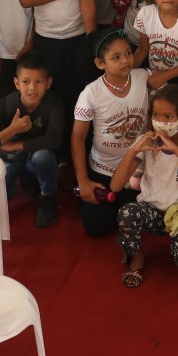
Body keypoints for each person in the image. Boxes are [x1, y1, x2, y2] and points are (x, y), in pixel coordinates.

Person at [112, 84, 178, 286]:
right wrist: (132, 151)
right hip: (153, 212)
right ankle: (138, 255)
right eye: (155, 115)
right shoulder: (146, 141)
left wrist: (176, 149)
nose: (160, 122)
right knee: (127, 213)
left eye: (168, 117)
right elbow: (115, 186)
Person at [73, 30, 150, 237]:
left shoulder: (143, 77)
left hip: (137, 170)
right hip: (103, 171)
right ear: (100, 64)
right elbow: (78, 138)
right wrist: (83, 181)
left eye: (128, 53)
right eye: (116, 57)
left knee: (142, 221)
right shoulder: (90, 93)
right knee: (95, 228)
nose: (125, 60)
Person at [0, 51, 66, 228]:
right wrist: (12, 130)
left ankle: (47, 197)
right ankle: (24, 181)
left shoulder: (54, 104)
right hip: (12, 159)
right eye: (26, 82)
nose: (32, 88)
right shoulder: (6, 104)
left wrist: (14, 145)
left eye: (39, 82)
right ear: (17, 83)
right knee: (3, 196)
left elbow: (55, 139)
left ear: (48, 83)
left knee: (44, 157)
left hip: (35, 156)